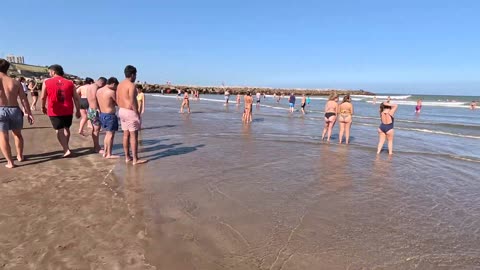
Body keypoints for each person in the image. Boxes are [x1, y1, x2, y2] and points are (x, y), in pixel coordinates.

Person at [0, 59, 34, 168]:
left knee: (3, 136)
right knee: (17, 134)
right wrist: (29, 113)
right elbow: (24, 100)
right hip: (14, 109)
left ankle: (10, 162)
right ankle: (20, 156)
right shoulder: (15, 82)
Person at [41, 64, 81, 157]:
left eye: (49, 72)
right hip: (68, 109)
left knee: (59, 130)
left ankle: (66, 149)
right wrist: (78, 110)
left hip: (54, 110)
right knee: (66, 128)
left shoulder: (46, 82)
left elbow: (43, 97)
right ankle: (66, 147)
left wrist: (43, 107)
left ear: (53, 72)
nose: (49, 73)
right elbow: (76, 98)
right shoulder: (70, 82)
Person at [117, 65, 147, 165]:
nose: (136, 77)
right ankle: (135, 159)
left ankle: (127, 157)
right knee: (134, 136)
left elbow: (117, 99)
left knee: (126, 135)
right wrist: (137, 113)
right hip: (130, 112)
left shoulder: (120, 84)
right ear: (133, 74)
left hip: (121, 110)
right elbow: (133, 101)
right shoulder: (131, 85)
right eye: (136, 75)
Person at [97, 77, 120, 159]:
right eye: (116, 86)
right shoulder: (111, 92)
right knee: (110, 135)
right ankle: (108, 154)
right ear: (113, 84)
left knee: (107, 134)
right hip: (110, 115)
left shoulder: (99, 90)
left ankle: (105, 152)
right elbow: (118, 103)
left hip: (102, 114)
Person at [87, 77, 107, 152]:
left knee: (95, 129)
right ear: (102, 83)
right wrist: (99, 109)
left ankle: (96, 146)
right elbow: (94, 98)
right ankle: (96, 147)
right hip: (95, 110)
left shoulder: (90, 86)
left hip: (90, 109)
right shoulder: (95, 87)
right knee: (96, 129)